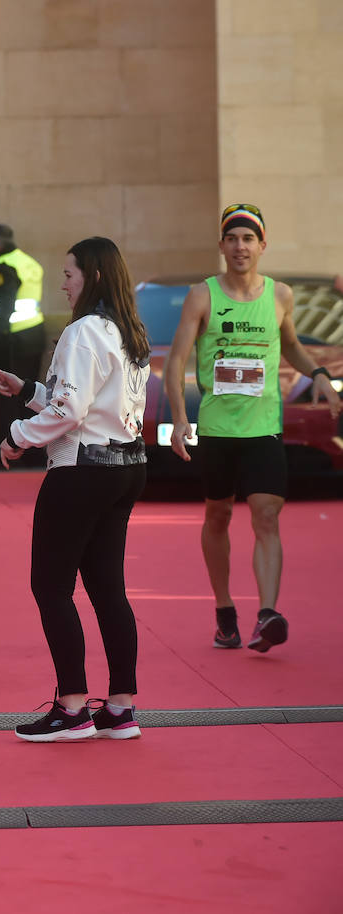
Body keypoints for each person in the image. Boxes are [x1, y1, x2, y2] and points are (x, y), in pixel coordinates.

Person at [164, 204, 341, 652]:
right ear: (222, 246)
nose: (240, 247)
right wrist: (181, 418)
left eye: (248, 239)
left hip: (264, 428)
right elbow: (176, 361)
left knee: (266, 513)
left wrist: (318, 375)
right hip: (219, 430)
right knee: (218, 514)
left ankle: (266, 614)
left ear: (262, 245)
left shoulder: (279, 295)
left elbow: (294, 347)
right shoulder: (202, 295)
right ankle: (225, 609)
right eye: (232, 239)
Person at [0, 237, 151, 742]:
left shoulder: (84, 331)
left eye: (70, 273)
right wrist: (25, 391)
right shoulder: (129, 330)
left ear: (95, 277)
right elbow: (85, 403)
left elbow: (71, 412)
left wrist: (17, 437)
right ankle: (121, 707)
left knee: (51, 586)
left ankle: (72, 707)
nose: (63, 283)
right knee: (108, 589)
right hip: (125, 466)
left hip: (82, 470)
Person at [0, 223, 47, 469]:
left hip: (11, 342)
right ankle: (33, 454)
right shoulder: (27, 262)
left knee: (7, 400)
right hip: (32, 336)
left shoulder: (3, 265)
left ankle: (2, 456)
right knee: (30, 398)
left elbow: (4, 305)